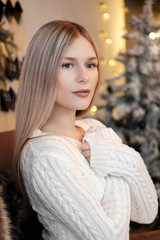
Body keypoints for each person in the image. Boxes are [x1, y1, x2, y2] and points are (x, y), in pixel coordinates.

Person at [14, 20, 158, 240]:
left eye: (90, 65)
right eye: (67, 65)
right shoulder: (45, 155)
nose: (84, 77)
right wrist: (113, 161)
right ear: (41, 72)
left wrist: (128, 159)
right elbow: (110, 238)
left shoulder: (94, 128)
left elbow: (147, 213)